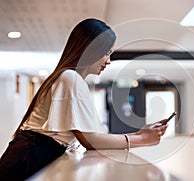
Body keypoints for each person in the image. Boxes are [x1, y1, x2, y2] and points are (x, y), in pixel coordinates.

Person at [0, 18, 168, 180]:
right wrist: (141, 139)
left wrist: (139, 133)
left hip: (28, 157)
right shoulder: (70, 78)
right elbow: (89, 140)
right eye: (106, 53)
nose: (108, 61)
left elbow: (88, 136)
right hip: (26, 160)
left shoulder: (68, 77)